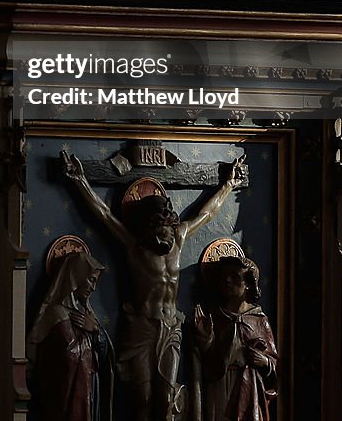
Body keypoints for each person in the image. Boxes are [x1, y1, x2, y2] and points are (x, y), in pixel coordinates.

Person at [62, 150, 246, 421]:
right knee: (143, 400)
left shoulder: (180, 237)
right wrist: (80, 180)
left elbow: (207, 214)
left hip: (171, 327)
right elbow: (103, 214)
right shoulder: (134, 246)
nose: (165, 240)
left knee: (167, 399)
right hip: (141, 329)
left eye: (168, 232)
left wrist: (229, 185)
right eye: (159, 234)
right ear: (147, 229)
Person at [26, 250, 114, 421]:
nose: (93, 287)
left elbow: (104, 356)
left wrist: (95, 331)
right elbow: (70, 356)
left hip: (89, 392)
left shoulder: (87, 314)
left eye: (95, 282)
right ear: (76, 276)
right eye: (91, 280)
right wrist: (90, 337)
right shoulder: (56, 313)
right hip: (66, 398)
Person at [193, 256, 277, 421]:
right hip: (219, 385)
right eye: (224, 276)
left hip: (248, 387)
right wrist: (206, 339)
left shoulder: (258, 320)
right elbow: (204, 359)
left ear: (248, 285)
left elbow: (275, 363)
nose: (227, 280)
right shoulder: (213, 317)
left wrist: (265, 362)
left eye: (234, 276)